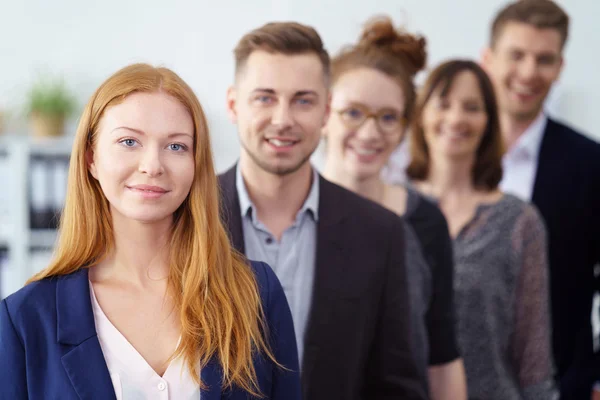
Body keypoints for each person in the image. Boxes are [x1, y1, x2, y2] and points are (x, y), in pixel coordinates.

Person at [0, 63, 300, 399]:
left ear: (196, 163)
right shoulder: (25, 319)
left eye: (176, 147)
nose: (152, 166)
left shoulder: (256, 294)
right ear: (91, 159)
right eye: (129, 141)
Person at [219, 21, 428, 399]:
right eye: (265, 97)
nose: (283, 119)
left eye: (303, 100)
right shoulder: (185, 213)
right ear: (234, 104)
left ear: (326, 108)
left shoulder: (379, 232)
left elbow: (396, 384)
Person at [320, 15, 467, 400]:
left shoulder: (424, 221)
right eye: (353, 112)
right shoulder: (287, 213)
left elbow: (442, 355)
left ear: (404, 126)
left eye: (387, 118)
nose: (370, 133)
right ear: (323, 113)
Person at [407, 59, 557, 399]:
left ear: (489, 122)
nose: (457, 118)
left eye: (472, 108)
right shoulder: (391, 210)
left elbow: (533, 354)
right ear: (420, 115)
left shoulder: (520, 220)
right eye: (443, 105)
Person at [480, 1, 600, 398]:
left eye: (544, 59)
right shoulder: (443, 155)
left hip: (561, 384)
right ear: (488, 59)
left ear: (560, 67)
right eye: (517, 55)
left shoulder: (591, 163)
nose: (530, 72)